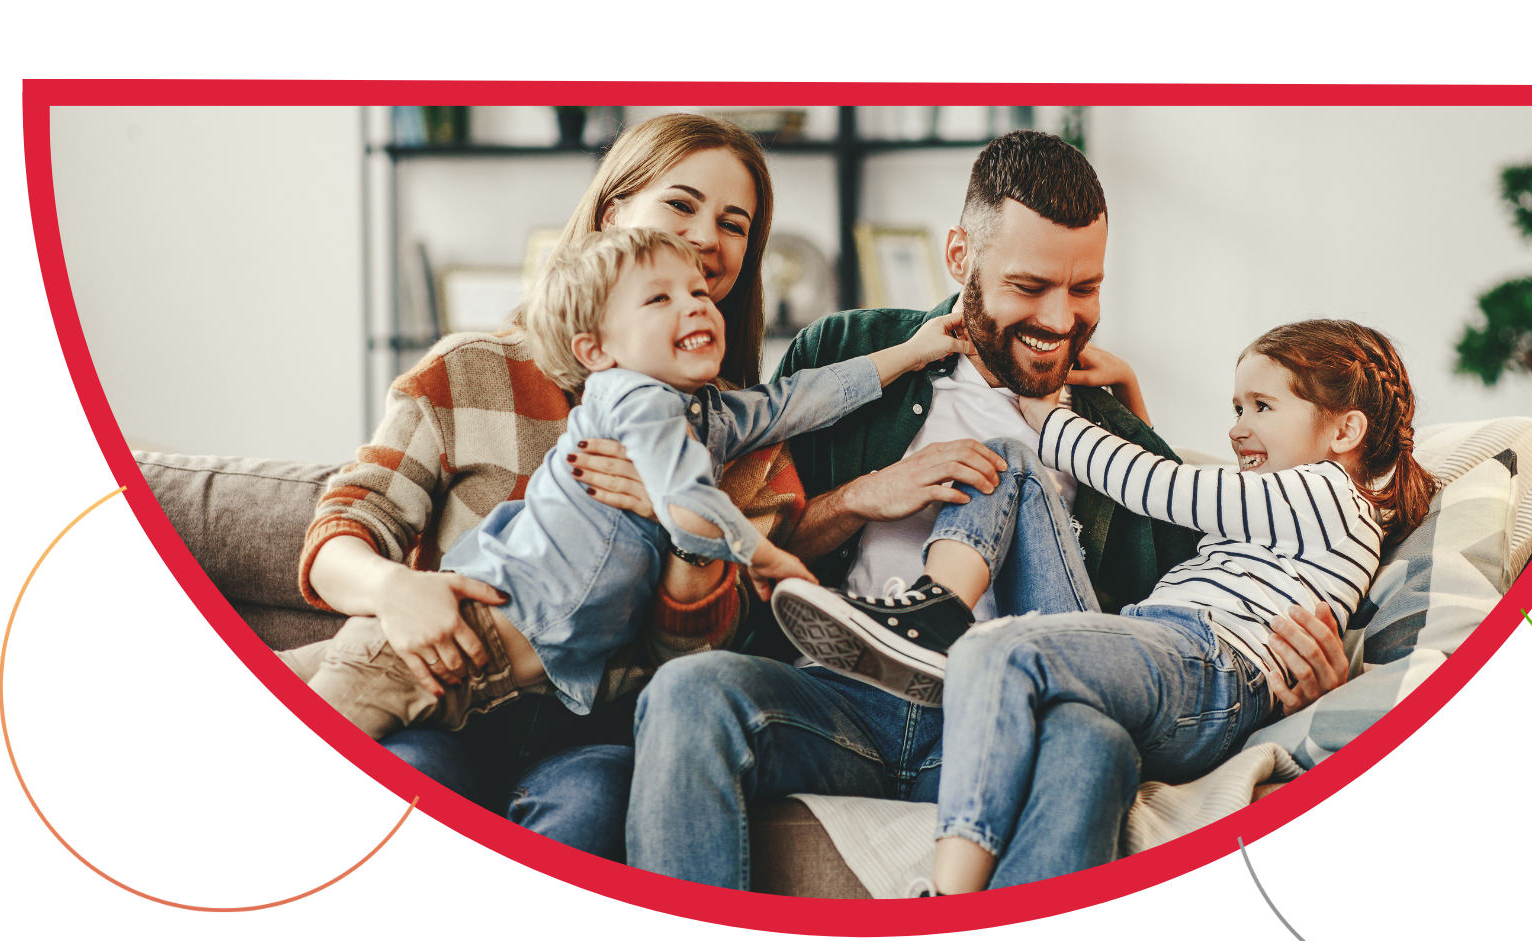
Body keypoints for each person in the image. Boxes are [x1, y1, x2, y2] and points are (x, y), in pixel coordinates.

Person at [626, 130, 1355, 891]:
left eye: (1084, 289)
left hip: (1008, 721)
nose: (1060, 319)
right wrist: (862, 497)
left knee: (1096, 742)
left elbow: (1181, 620)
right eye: (1029, 286)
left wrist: (1299, 669)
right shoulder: (849, 349)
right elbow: (751, 559)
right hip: (840, 701)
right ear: (959, 255)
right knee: (689, 693)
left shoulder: (1112, 437)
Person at [289, 113, 795, 859]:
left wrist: (676, 515)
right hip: (443, 691)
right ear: (613, 213)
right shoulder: (470, 368)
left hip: (588, 733)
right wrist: (396, 589)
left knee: (590, 811)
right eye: (680, 204)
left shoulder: (742, 443)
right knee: (408, 784)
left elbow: (688, 664)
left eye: (733, 224)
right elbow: (344, 528)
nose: (705, 237)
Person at [805, 319, 1435, 893]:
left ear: (1345, 431)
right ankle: (932, 612)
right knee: (1006, 464)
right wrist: (1129, 390)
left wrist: (1051, 417)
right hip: (1160, 653)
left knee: (998, 650)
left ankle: (946, 896)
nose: (1237, 427)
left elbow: (1165, 489)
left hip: (1208, 662)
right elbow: (1181, 510)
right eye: (1237, 407)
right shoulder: (1290, 510)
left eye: (1261, 407)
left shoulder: (1328, 492)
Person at [310, 226, 967, 739]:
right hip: (445, 642)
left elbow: (799, 398)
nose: (697, 306)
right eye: (660, 298)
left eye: (699, 293)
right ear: (597, 351)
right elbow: (685, 502)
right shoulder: (634, 398)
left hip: (493, 682)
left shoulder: (707, 414)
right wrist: (769, 559)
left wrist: (913, 350)